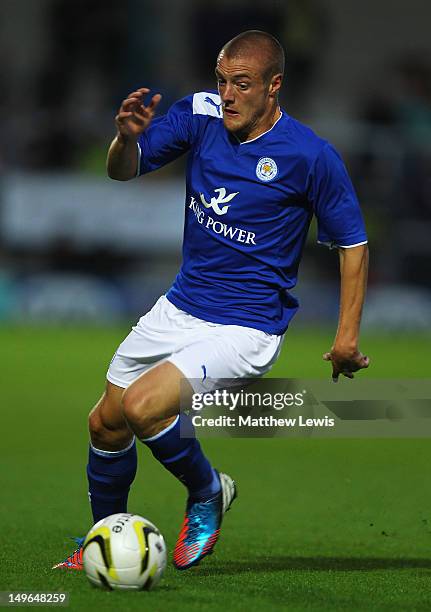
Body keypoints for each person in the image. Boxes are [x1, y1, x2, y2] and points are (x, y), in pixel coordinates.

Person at [53, 30, 369, 572]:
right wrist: (125, 138)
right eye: (221, 80)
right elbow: (122, 169)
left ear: (274, 87)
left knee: (143, 406)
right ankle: (101, 543)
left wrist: (345, 337)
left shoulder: (310, 155)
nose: (226, 94)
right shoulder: (199, 116)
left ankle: (207, 491)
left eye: (241, 84)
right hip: (180, 306)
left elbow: (354, 244)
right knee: (105, 422)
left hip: (245, 327)